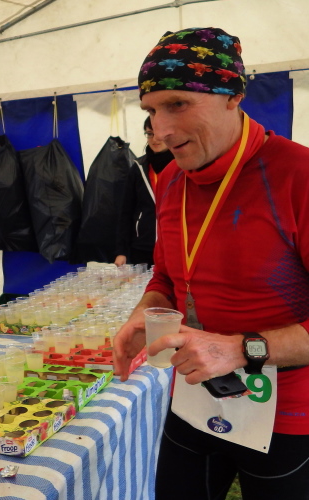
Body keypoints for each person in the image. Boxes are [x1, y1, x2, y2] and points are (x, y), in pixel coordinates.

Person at [113, 27, 309, 498]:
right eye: (150, 111)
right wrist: (146, 309)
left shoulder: (296, 175)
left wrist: (241, 349)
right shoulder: (171, 181)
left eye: (177, 104)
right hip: (196, 394)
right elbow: (167, 275)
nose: (161, 130)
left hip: (287, 413)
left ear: (233, 96)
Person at [114, 116, 174, 267]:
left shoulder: (184, 165)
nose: (155, 139)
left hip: (175, 244)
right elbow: (126, 211)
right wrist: (121, 251)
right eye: (149, 134)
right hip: (143, 246)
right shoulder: (138, 167)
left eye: (159, 133)